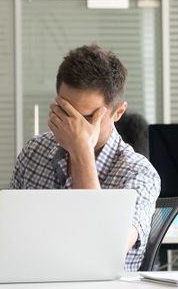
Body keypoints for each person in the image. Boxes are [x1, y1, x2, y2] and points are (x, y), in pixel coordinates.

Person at [10, 44, 160, 272]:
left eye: (87, 117)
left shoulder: (139, 173)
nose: (73, 126)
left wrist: (81, 151)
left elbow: (101, 252)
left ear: (118, 112)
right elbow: (11, 238)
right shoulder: (34, 151)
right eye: (65, 111)